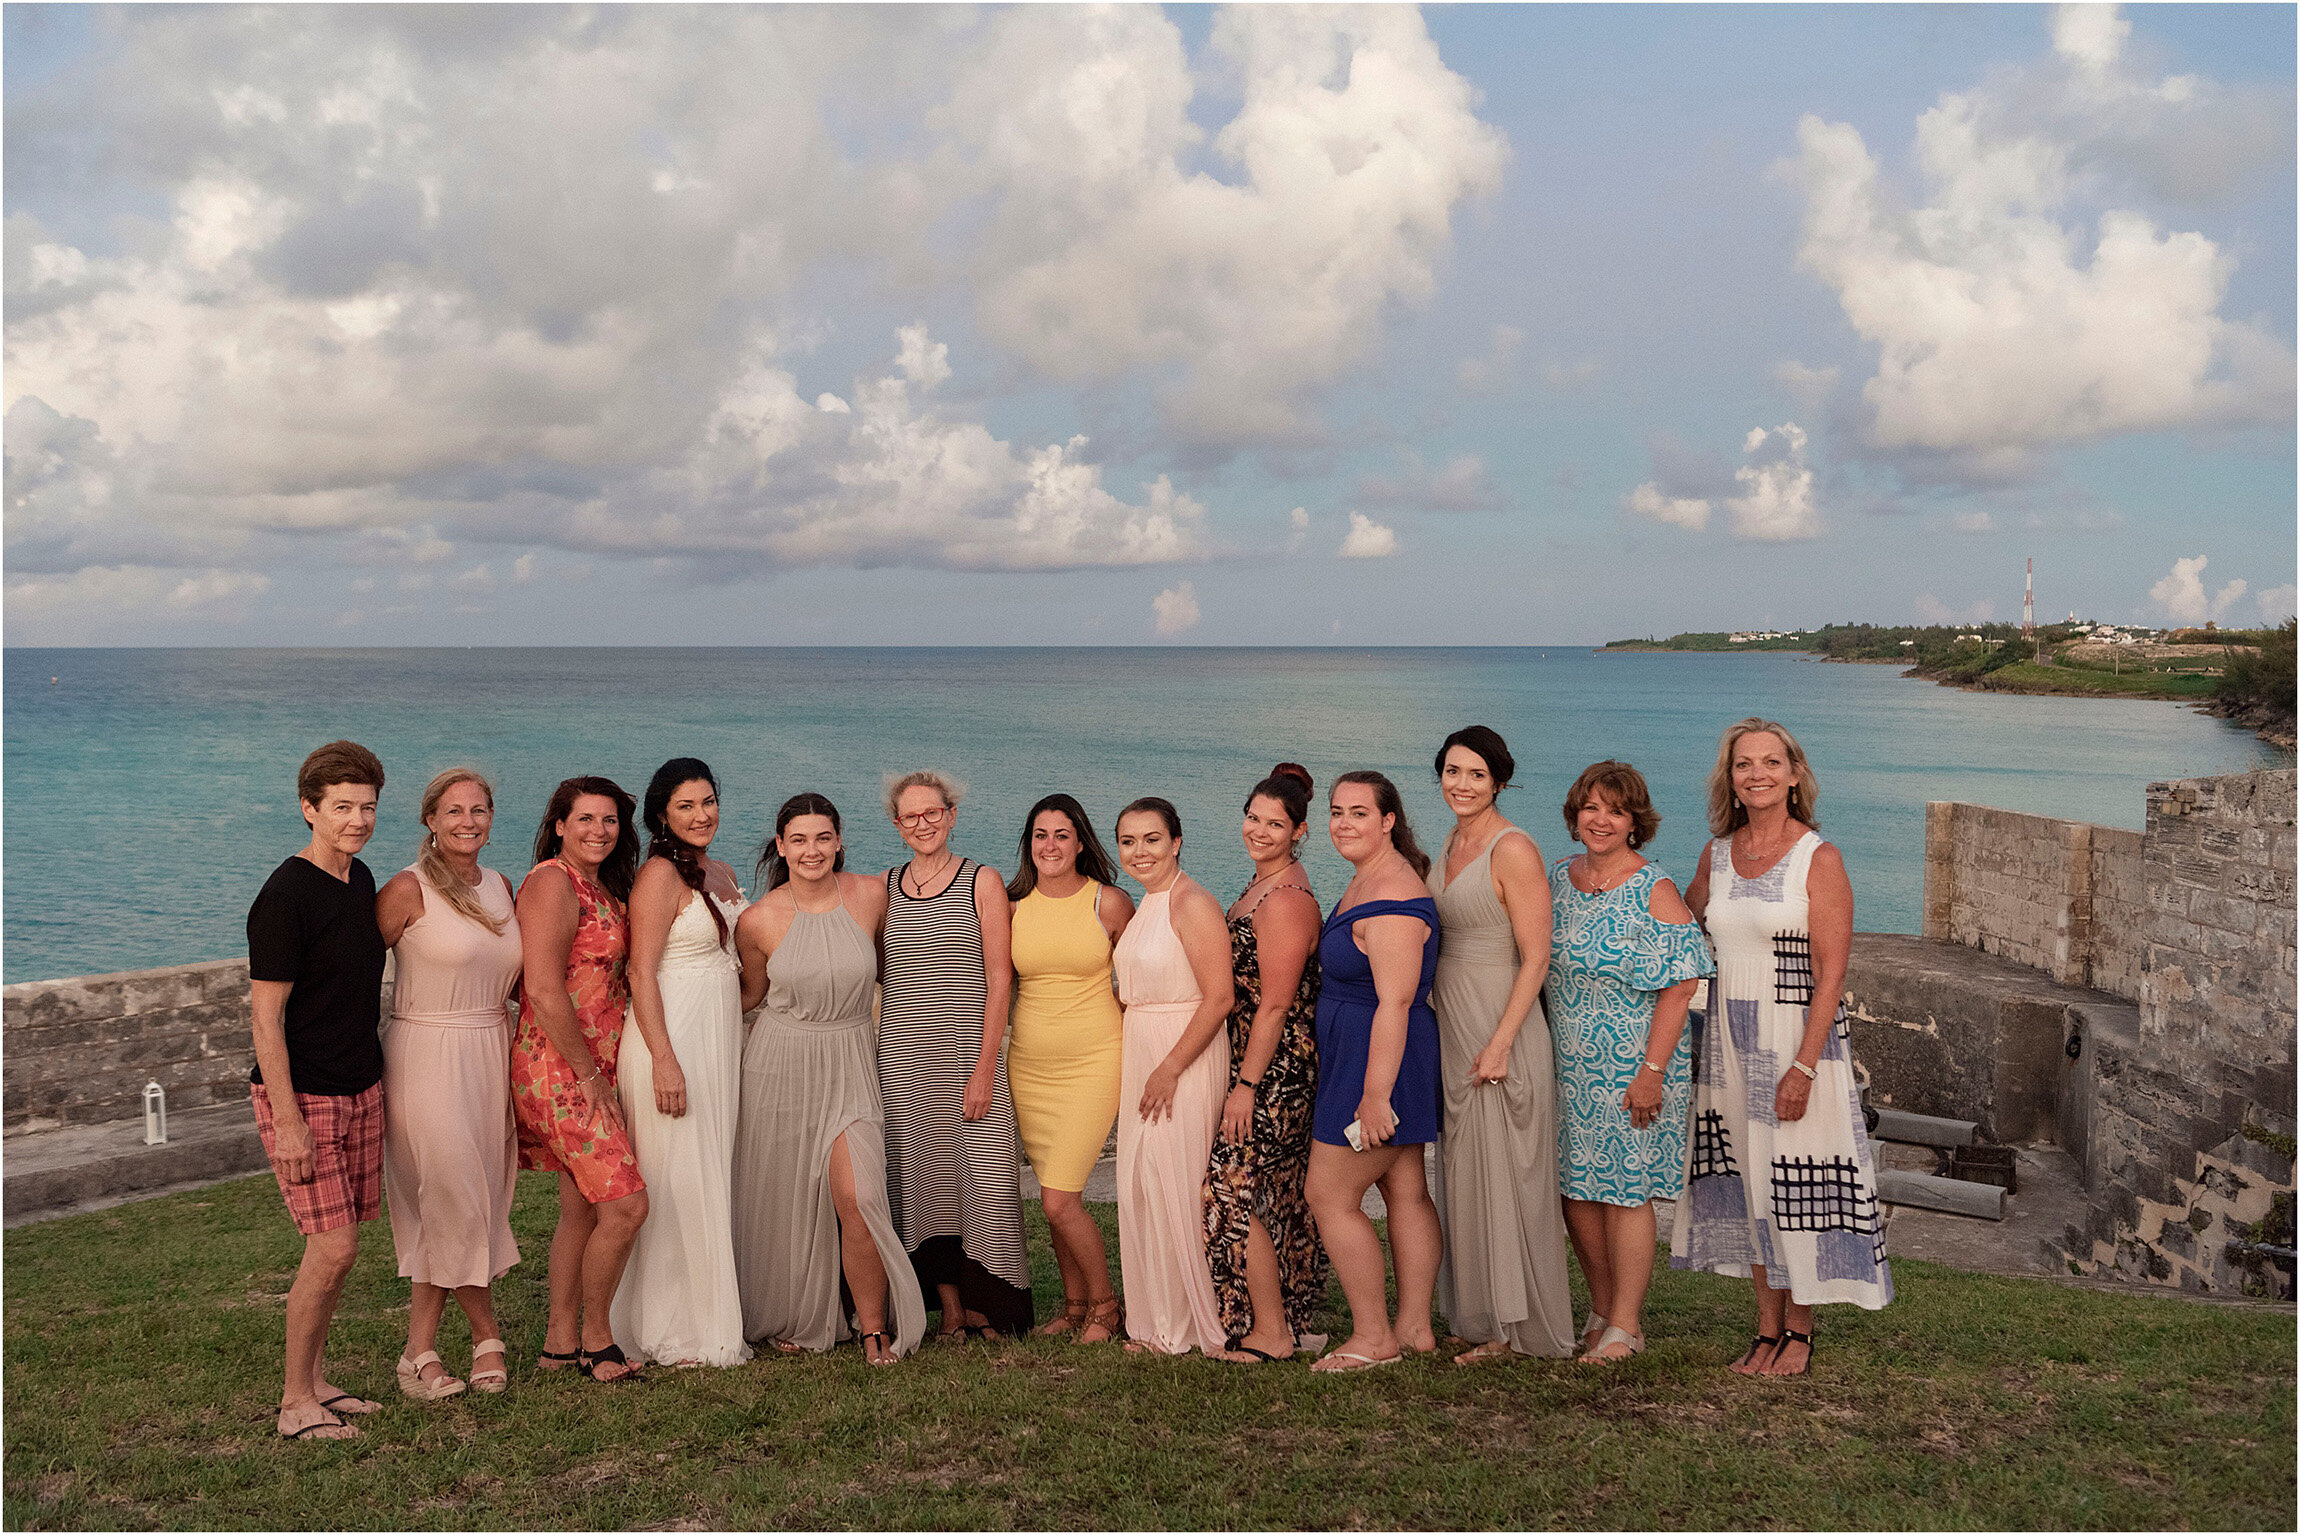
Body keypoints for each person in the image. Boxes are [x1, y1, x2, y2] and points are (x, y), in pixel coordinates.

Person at [1671, 719, 1891, 1375]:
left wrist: (1801, 1068)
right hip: (1729, 1050)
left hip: (1796, 1049)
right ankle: (1766, 1330)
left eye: (1771, 762)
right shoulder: (1716, 856)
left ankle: (1799, 1332)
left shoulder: (1817, 858)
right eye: (1744, 764)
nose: (1757, 773)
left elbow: (1833, 976)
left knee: (1797, 1188)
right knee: (1751, 1187)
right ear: (1730, 778)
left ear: (1794, 774)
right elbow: (1683, 929)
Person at [734, 794, 928, 1364]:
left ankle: (873, 1327)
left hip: (850, 1056)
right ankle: (794, 1313)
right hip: (778, 1063)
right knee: (785, 1199)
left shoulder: (872, 896)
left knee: (859, 1194)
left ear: (839, 841)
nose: (812, 850)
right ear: (780, 846)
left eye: (823, 838)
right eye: (799, 839)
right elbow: (749, 996)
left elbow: (929, 944)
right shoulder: (757, 919)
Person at [248, 740, 391, 1441]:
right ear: (309, 808)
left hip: (362, 1086)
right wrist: (288, 1120)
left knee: (345, 1247)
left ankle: (317, 1380)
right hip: (304, 1098)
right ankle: (294, 1403)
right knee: (330, 1248)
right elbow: (265, 1017)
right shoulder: (285, 894)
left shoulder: (359, 879)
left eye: (366, 806)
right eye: (341, 807)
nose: (357, 819)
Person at [1548, 760, 1714, 1364]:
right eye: (1591, 807)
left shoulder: (1655, 889)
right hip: (1566, 1062)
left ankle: (1626, 1325)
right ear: (1575, 815)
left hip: (1632, 1066)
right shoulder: (1557, 878)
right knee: (1575, 1190)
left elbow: (1680, 984)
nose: (1601, 820)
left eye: (1615, 811)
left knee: (1625, 1192)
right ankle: (1600, 1307)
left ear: (1634, 823)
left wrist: (1651, 1073)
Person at [1426, 727, 1576, 1363]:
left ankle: (1519, 1331)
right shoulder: (1453, 842)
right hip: (1451, 1020)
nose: (1462, 784)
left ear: (1500, 782)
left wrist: (1501, 1042)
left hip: (1499, 1022)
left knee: (1510, 1174)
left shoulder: (1512, 847)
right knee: (1463, 1174)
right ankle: (1480, 1313)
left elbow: (1537, 955)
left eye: (1477, 775)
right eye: (1453, 771)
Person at [374, 768, 524, 1403]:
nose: (468, 821)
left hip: (491, 1050)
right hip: (423, 1052)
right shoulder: (406, 890)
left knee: (472, 1194)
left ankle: (417, 1353)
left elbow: (518, 978)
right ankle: (486, 1333)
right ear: (430, 820)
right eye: (454, 810)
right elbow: (353, 973)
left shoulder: (503, 886)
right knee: (452, 1191)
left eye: (479, 809)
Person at [876, 770, 1035, 1338]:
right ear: (897, 826)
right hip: (899, 1061)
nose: (923, 824)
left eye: (932, 813)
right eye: (910, 817)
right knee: (920, 1185)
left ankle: (992, 1306)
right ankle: (947, 1307)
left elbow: (1000, 981)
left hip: (966, 1060)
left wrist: (984, 1070)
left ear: (952, 816)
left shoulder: (981, 880)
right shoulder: (885, 886)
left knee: (983, 1182)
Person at [1301, 771, 1446, 1372]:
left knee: (1329, 1194)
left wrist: (1375, 1094)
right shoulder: (1369, 880)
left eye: (1359, 812)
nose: (1343, 823)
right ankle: (1413, 1327)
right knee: (1405, 1189)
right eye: (1337, 811)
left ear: (1388, 821)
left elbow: (1396, 1001)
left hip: (1377, 1061)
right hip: (1371, 1052)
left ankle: (1373, 1335)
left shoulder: (1392, 897)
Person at [610, 759, 750, 1367]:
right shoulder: (659, 875)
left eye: (709, 801)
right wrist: (664, 1062)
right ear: (662, 814)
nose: (701, 815)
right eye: (687, 805)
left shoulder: (719, 870)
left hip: (718, 1038)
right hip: (670, 1040)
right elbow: (640, 972)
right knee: (675, 1179)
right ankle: (673, 1329)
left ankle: (712, 1315)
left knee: (711, 1170)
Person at [510, 776, 650, 1383]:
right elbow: (541, 987)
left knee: (581, 1210)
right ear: (560, 824)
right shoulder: (550, 882)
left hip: (593, 1065)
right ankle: (598, 1339)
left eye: (610, 820)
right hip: (560, 1069)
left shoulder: (600, 885)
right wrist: (590, 1075)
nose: (599, 831)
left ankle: (559, 1342)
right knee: (626, 1206)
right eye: (586, 819)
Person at [1204, 764, 1327, 1363]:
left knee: (1238, 1190)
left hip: (1274, 1069)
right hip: (1261, 1060)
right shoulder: (1260, 885)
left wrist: (1245, 1085)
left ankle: (1272, 1332)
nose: (1259, 829)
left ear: (1298, 831)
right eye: (1253, 817)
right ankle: (1287, 1319)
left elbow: (1276, 1004)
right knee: (1274, 1193)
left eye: (1274, 823)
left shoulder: (1286, 900)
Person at [1109, 798, 1237, 1356]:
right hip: (1143, 1047)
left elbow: (1220, 998)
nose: (1140, 852)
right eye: (1129, 842)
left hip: (1182, 1052)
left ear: (1177, 842)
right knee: (1141, 1184)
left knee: (1175, 1182)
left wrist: (1169, 1067)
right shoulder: (1146, 905)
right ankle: (1152, 1319)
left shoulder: (1192, 903)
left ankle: (1183, 1324)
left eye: (1152, 839)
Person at [1005, 794, 1134, 1344]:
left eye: (1062, 834)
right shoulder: (1011, 906)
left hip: (1094, 1060)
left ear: (1081, 841)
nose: (1050, 845)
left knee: (1059, 1198)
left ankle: (1107, 1306)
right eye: (1040, 834)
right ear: (1029, 843)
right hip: (1029, 1064)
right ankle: (1075, 1305)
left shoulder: (1109, 903)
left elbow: (1140, 982)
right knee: (1054, 1196)